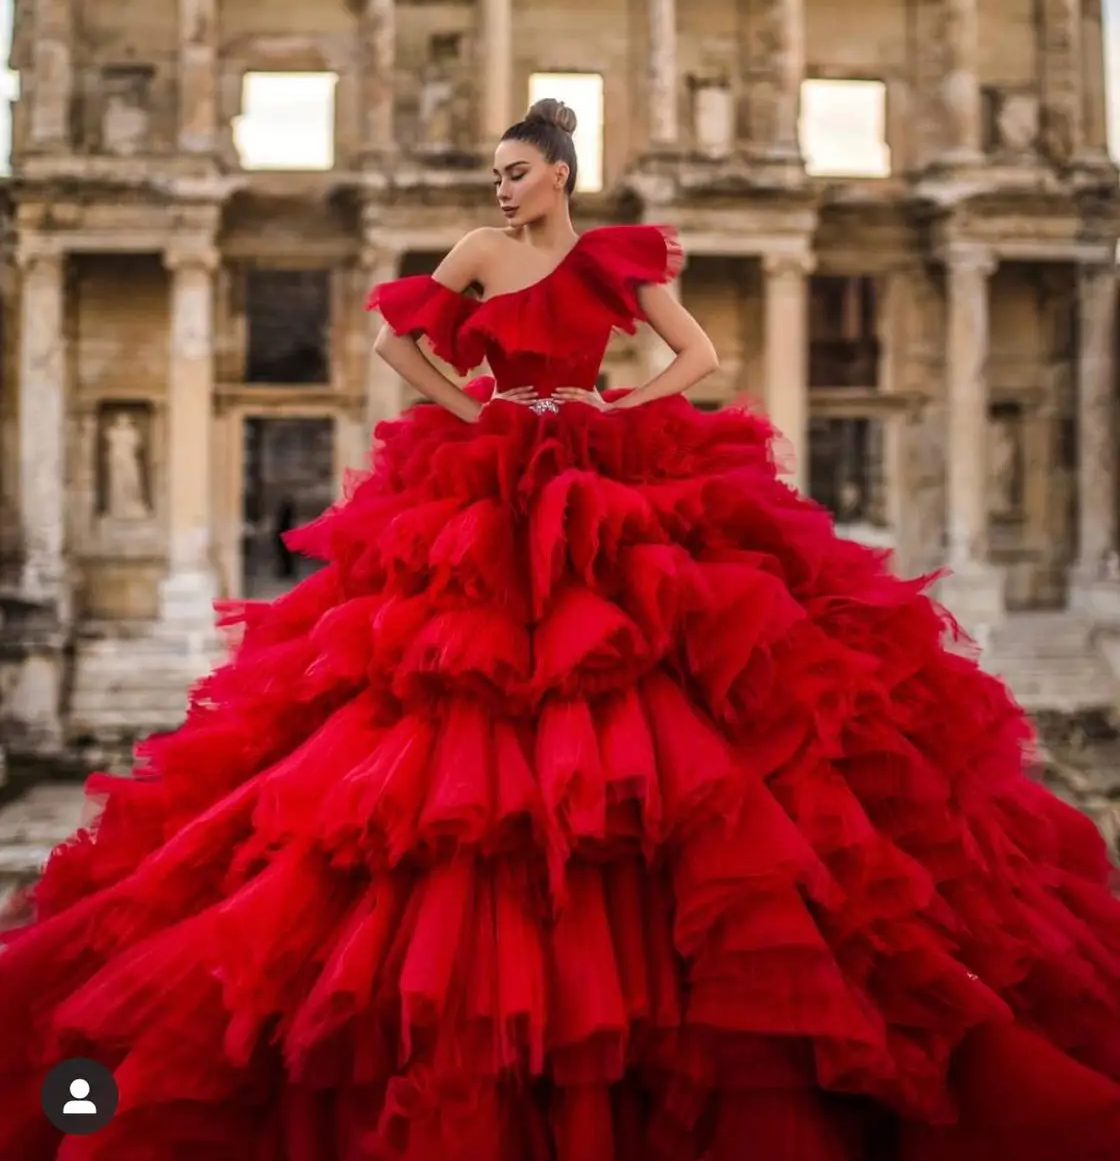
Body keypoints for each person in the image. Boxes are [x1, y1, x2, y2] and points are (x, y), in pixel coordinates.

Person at [0, 98, 1117, 1161]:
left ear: (559, 176)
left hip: (607, 474)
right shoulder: (476, 256)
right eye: (493, 173)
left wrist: (614, 407)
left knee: (657, 695)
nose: (499, 187)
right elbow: (399, 344)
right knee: (450, 691)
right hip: (484, 485)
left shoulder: (611, 258)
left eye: (515, 171)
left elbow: (699, 360)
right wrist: (476, 405)